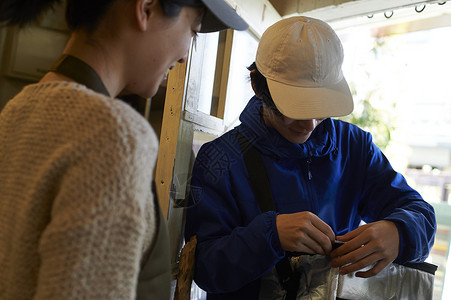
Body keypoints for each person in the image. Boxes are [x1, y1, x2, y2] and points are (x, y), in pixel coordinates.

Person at [0, 0, 247, 299]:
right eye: (193, 31)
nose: (185, 55)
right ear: (146, 9)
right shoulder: (113, 134)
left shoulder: (15, 111)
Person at [184, 16, 436, 299]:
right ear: (257, 85)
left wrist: (400, 232)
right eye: (294, 109)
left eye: (319, 109)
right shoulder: (220, 159)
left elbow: (421, 213)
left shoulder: (354, 146)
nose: (309, 125)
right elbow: (204, 268)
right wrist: (270, 235)